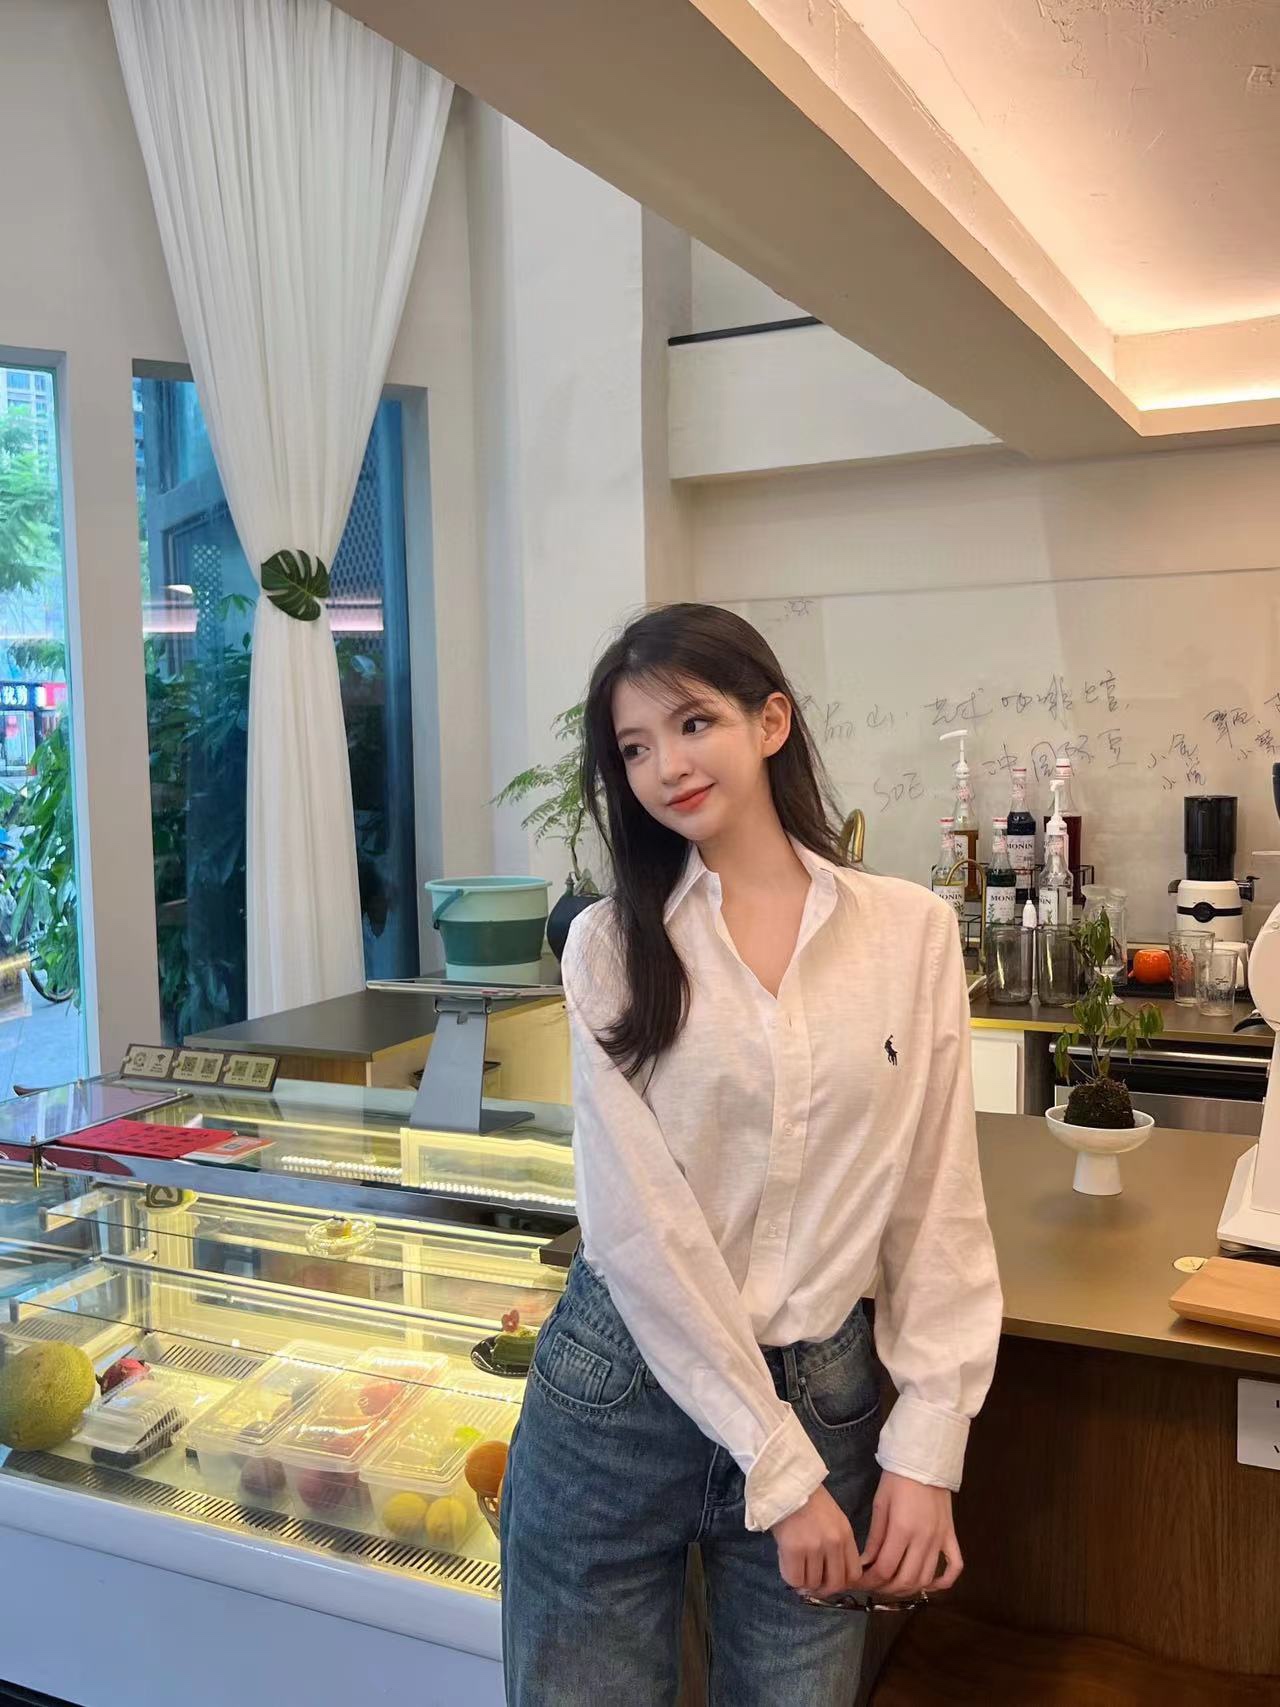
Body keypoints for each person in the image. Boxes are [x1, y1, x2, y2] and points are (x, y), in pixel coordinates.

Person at [501, 603, 1003, 1706]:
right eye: (635, 748)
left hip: (825, 1392)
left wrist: (928, 1445)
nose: (666, 767)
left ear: (769, 721)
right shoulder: (611, 946)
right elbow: (638, 1231)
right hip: (618, 1393)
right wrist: (778, 1471)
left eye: (693, 724)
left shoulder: (908, 933)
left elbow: (933, 1203)